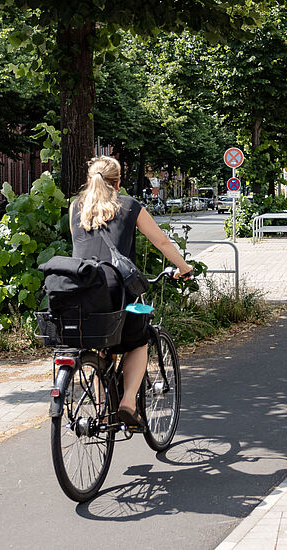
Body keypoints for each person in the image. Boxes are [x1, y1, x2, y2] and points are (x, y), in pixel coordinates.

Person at [69, 156, 193, 427]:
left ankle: (102, 413)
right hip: (117, 290)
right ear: (119, 182)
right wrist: (183, 267)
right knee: (138, 340)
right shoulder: (129, 205)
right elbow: (160, 240)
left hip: (80, 291)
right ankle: (127, 403)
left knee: (103, 346)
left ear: (90, 179)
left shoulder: (76, 207)